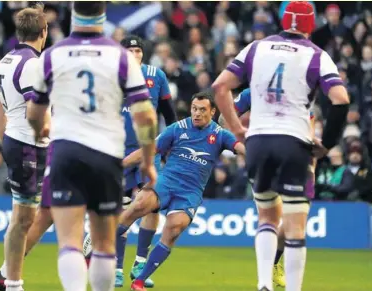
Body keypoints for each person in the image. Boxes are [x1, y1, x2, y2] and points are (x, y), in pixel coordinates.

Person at [212, 2, 350, 291]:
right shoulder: (317, 55)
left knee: (266, 218)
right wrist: (328, 144)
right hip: (295, 143)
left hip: (259, 142)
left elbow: (219, 87)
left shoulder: (255, 48)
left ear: (283, 21)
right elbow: (340, 98)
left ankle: (263, 284)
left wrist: (237, 129)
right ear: (312, 25)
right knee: (296, 225)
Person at [26, 2, 158, 291]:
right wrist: (148, 160)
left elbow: (34, 112)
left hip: (66, 153)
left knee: (70, 241)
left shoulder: (53, 55)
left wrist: (40, 131)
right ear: (103, 15)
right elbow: (146, 115)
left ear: (74, 14)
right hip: (106, 156)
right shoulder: (121, 57)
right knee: (103, 245)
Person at [118, 92, 245, 291]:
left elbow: (239, 147)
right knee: (140, 205)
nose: (197, 113)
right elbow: (149, 150)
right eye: (194, 109)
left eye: (202, 110)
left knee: (175, 228)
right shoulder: (178, 128)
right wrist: (122, 164)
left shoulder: (220, 135)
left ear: (212, 112)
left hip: (190, 192)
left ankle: (139, 281)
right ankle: (101, 243)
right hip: (167, 182)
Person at [219, 88, 318, 288]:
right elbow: (223, 119)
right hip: (263, 160)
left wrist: (312, 168)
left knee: (293, 224)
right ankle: (265, 281)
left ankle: (273, 263)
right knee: (270, 219)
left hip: (295, 163)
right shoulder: (252, 92)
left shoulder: (301, 93)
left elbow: (309, 134)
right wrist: (245, 141)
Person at [0, 5, 49, 291]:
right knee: (24, 218)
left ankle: (5, 275)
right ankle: (11, 284)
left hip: (18, 141)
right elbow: (36, 113)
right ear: (44, 32)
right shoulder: (33, 64)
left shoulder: (5, 60)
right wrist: (48, 133)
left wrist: (7, 139)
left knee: (31, 214)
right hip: (30, 144)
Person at [111, 35, 177, 288]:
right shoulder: (114, 77)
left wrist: (173, 143)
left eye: (138, 50)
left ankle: (140, 262)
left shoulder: (156, 76)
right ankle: (117, 266)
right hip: (119, 152)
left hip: (150, 151)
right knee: (123, 208)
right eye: (129, 50)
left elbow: (169, 115)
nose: (135, 54)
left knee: (152, 206)